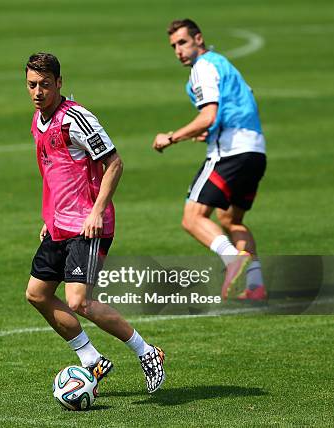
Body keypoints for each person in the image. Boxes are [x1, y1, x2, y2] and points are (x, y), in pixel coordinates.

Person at [24, 53, 165, 394]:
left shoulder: (76, 119)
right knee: (37, 294)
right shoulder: (38, 121)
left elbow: (114, 163)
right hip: (60, 224)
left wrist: (97, 211)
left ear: (59, 82)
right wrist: (48, 217)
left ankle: (148, 353)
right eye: (32, 85)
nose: (38, 92)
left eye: (45, 84)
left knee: (78, 301)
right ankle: (91, 359)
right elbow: (52, 174)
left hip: (89, 225)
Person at [153, 19, 267, 301]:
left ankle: (232, 259)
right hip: (255, 152)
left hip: (231, 153)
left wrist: (171, 137)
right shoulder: (223, 63)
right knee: (230, 219)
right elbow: (239, 105)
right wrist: (210, 132)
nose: (178, 50)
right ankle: (256, 284)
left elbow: (208, 115)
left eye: (182, 42)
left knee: (192, 219)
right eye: (174, 46)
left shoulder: (202, 68)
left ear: (198, 39)